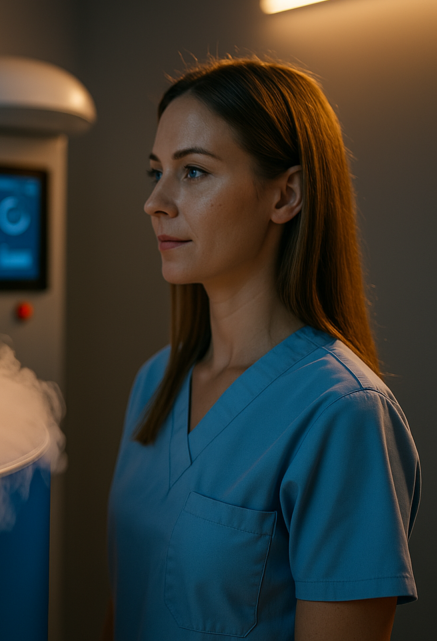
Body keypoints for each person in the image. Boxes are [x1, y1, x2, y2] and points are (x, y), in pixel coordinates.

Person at [104, 58, 419, 640]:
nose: (157, 202)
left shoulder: (341, 414)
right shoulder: (156, 382)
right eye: (156, 172)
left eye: (193, 172)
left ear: (286, 195)